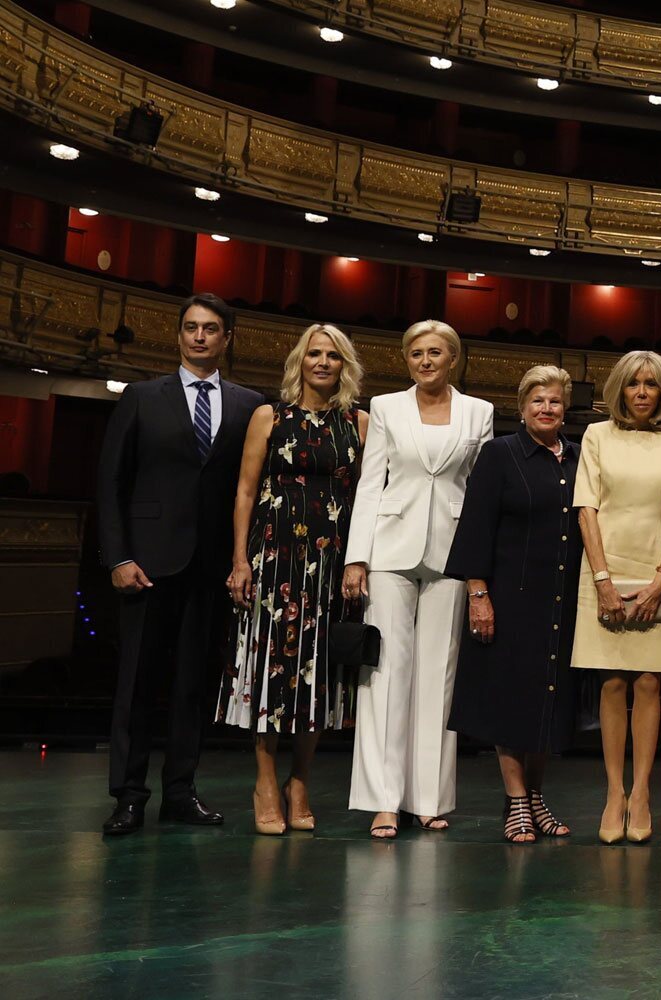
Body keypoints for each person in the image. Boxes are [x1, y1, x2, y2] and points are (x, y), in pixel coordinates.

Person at [97, 293, 265, 835]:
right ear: (178, 335)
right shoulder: (142, 397)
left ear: (227, 337)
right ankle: (128, 795)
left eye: (210, 328)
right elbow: (110, 484)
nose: (199, 336)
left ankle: (180, 792)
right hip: (146, 564)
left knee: (194, 685)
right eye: (190, 327)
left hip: (211, 566)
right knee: (137, 683)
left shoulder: (248, 405)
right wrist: (119, 556)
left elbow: (251, 490)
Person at [343, 320, 495, 839]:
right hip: (389, 548)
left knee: (440, 674)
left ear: (453, 358)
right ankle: (384, 800)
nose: (425, 361)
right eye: (415, 354)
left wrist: (479, 568)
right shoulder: (385, 407)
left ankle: (427, 797)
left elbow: (480, 494)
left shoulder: (480, 412)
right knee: (385, 671)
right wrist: (355, 557)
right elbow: (370, 483)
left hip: (453, 550)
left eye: (434, 353)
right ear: (406, 360)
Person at [219, 323, 368, 835]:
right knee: (269, 669)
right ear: (299, 362)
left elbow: (371, 499)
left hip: (331, 566)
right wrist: (240, 559)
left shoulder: (360, 423)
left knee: (319, 675)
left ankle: (299, 781)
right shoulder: (269, 416)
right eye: (314, 354)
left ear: (344, 365)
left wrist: (360, 561)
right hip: (273, 559)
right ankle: (264, 782)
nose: (322, 362)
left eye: (332, 355)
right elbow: (243, 491)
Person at [445, 366, 583, 844]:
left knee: (549, 698)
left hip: (562, 599)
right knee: (510, 698)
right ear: (522, 407)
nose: (547, 409)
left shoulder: (578, 459)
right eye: (538, 401)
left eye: (555, 402)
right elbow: (476, 527)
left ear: (566, 408)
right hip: (509, 597)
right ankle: (517, 799)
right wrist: (478, 594)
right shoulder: (500, 454)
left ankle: (538, 795)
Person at [574, 350, 661, 845]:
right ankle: (613, 793)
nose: (642, 392)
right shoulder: (596, 435)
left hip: (657, 571)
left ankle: (642, 792)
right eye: (633, 384)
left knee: (648, 684)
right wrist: (602, 580)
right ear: (619, 390)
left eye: (651, 384)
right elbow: (586, 508)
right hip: (604, 568)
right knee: (612, 685)